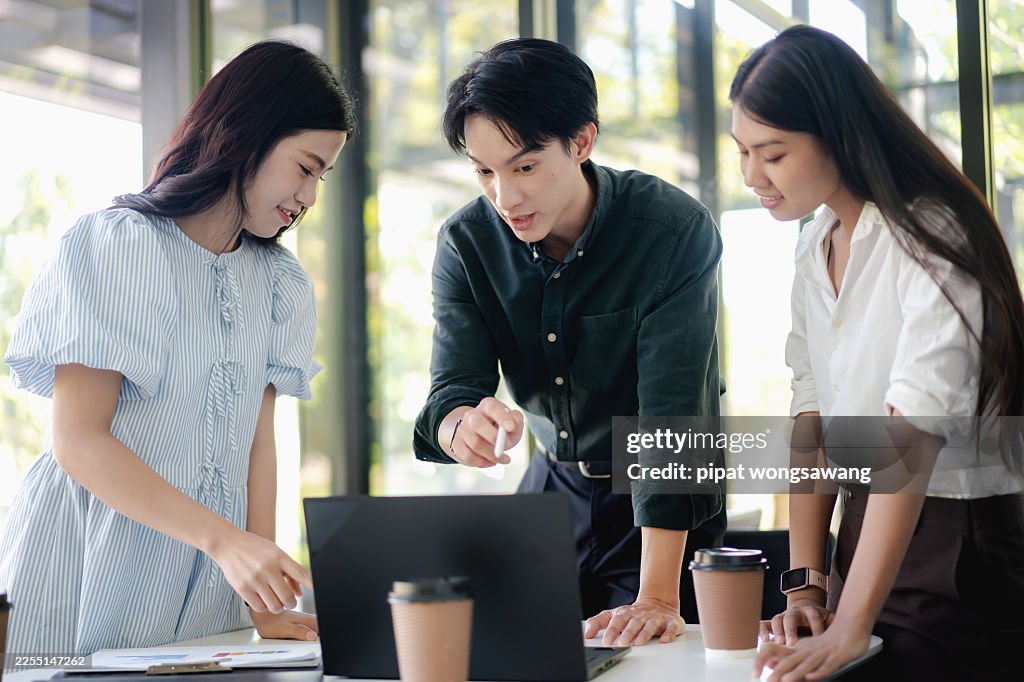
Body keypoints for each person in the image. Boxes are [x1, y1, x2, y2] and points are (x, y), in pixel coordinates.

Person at [0, 40, 356, 654]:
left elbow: (258, 448)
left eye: (322, 176)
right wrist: (225, 542)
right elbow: (79, 441)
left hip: (205, 585)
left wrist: (259, 596)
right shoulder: (115, 245)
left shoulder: (281, 285)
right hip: (87, 565)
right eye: (305, 167)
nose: (311, 195)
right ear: (248, 134)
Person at [729, 25, 1024, 681]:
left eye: (771, 154)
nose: (751, 176)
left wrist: (851, 625)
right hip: (862, 537)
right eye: (742, 151)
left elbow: (908, 434)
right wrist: (806, 585)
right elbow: (811, 415)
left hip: (954, 548)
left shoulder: (935, 233)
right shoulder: (815, 244)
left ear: (837, 136)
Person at [412, 38, 727, 647]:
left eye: (524, 166)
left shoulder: (671, 230)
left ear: (580, 142)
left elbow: (673, 414)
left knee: (642, 662)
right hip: (550, 492)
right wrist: (460, 426)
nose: (505, 197)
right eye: (484, 172)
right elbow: (452, 388)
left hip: (661, 505)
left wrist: (657, 595)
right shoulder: (466, 244)